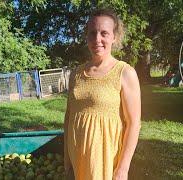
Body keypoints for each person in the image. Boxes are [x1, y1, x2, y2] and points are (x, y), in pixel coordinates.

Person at [64, 8, 141, 180]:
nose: (97, 39)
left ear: (114, 37)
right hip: (77, 158)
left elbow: (134, 124)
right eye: (92, 33)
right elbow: (69, 117)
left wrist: (123, 168)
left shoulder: (125, 73)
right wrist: (66, 160)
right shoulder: (75, 74)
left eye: (104, 33)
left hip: (105, 160)